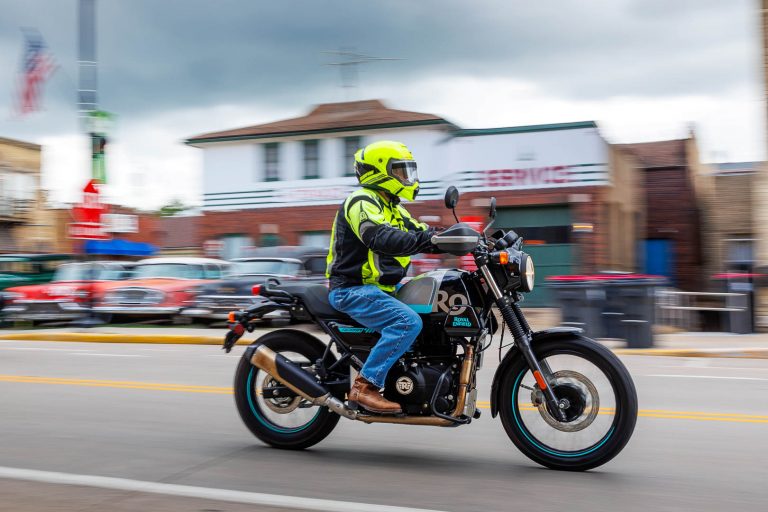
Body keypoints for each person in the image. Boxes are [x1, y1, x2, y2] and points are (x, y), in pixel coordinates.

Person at [326, 140, 440, 414]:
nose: (407, 177)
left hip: (384, 289)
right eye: (401, 171)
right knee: (406, 322)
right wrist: (428, 238)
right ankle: (364, 386)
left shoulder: (395, 208)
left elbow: (423, 233)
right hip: (353, 289)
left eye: (408, 171)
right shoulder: (362, 201)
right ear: (380, 171)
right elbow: (379, 236)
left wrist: (462, 237)